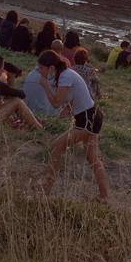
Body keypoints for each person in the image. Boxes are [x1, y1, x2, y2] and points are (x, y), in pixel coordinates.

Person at [37, 51, 109, 202]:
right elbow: (77, 94)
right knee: (93, 158)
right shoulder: (65, 74)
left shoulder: (65, 76)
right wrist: (69, 108)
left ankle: (47, 187)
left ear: (51, 67)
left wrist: (44, 85)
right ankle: (104, 197)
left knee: (56, 147)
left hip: (88, 119)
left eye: (41, 68)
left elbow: (56, 102)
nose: (39, 72)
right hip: (92, 116)